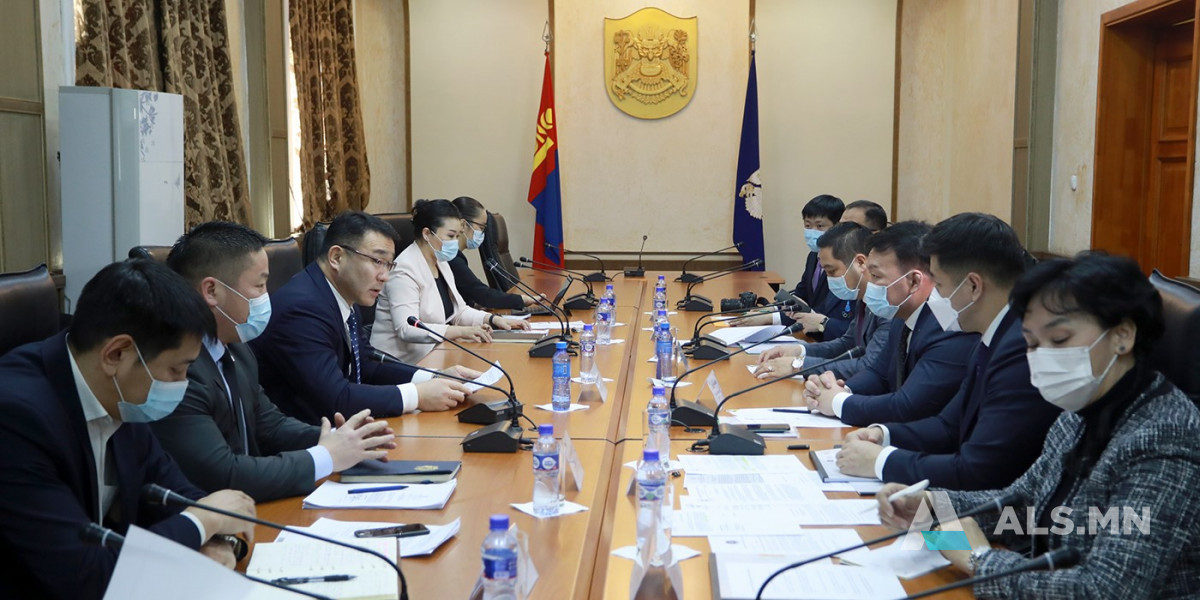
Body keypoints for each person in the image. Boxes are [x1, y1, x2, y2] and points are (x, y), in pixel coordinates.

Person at [878, 252, 1200, 598]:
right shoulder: (1080, 412)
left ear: (1122, 335)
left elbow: (1106, 590)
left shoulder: (1166, 436)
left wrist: (980, 559)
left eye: (1058, 340)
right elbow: (1026, 506)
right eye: (1032, 343)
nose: (1042, 356)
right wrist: (931, 508)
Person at [0, 259, 257, 599]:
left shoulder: (118, 395)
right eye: (176, 370)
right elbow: (87, 575)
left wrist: (219, 540)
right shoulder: (16, 418)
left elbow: (177, 494)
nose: (182, 385)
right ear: (116, 354)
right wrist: (202, 524)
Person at [152, 222, 396, 502]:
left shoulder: (237, 348)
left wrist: (339, 438)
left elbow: (270, 425)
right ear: (211, 291)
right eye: (259, 285)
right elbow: (225, 473)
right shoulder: (176, 371)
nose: (267, 297)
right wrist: (325, 457)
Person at [834, 214, 1060, 490]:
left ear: (973, 286)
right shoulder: (994, 334)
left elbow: (980, 469)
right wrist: (883, 434)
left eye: (939, 286)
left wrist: (881, 462)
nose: (934, 298)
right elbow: (948, 426)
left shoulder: (1022, 349)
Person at [250, 211, 479, 426]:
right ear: (337, 257)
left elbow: (366, 364)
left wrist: (434, 377)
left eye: (389, 265)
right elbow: (336, 397)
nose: (385, 276)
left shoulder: (341, 295)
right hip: (307, 439)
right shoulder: (302, 309)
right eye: (377, 261)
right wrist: (416, 396)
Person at [803, 221, 978, 425]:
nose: (868, 284)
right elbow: (878, 374)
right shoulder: (901, 315)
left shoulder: (947, 326)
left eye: (876, 276)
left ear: (914, 281)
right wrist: (840, 389)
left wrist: (838, 402)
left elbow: (908, 406)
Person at [370, 199, 530, 364]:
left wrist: (493, 320)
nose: (455, 242)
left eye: (457, 236)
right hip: (402, 363)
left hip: (436, 355)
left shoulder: (440, 261)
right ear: (427, 234)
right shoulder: (404, 270)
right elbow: (407, 328)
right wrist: (460, 331)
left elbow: (459, 311)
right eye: (450, 236)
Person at [754, 222, 886, 380]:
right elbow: (847, 343)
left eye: (832, 271)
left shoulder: (885, 305)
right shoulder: (862, 297)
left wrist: (799, 365)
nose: (829, 279)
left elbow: (868, 367)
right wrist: (799, 350)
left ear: (860, 263)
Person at [735, 194, 848, 340]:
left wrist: (771, 318)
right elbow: (801, 293)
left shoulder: (842, 263)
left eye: (819, 226)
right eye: (808, 225)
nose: (812, 231)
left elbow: (822, 310)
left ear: (837, 227)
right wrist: (770, 309)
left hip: (826, 335)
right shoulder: (813, 256)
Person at [448, 196, 543, 311]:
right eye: (481, 227)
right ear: (463, 225)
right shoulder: (452, 258)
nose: (483, 234)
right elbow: (480, 292)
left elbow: (465, 293)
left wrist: (474, 305)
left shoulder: (456, 256)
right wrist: (522, 300)